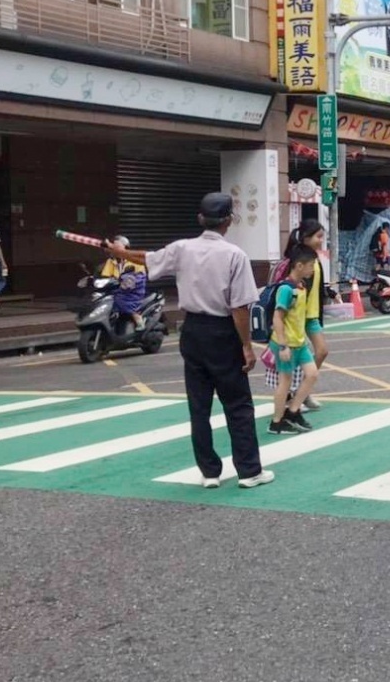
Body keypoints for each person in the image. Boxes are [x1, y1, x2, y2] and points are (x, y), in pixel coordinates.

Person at [105, 193, 273, 489]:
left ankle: (209, 472)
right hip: (222, 332)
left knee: (199, 405)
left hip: (192, 331)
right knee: (237, 404)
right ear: (229, 221)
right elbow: (240, 308)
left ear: (200, 219)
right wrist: (246, 346)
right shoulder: (235, 255)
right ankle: (249, 471)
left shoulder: (182, 248)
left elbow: (147, 258)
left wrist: (120, 253)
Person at [265, 221, 331, 412]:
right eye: (318, 236)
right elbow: (285, 292)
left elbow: (315, 288)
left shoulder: (314, 260)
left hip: (312, 316)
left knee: (322, 351)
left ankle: (303, 391)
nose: (321, 240)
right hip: (296, 318)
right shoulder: (295, 261)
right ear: (305, 238)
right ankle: (290, 397)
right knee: (292, 359)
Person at [268, 247, 320, 435]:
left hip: (299, 342)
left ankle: (293, 411)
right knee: (285, 382)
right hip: (286, 343)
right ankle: (276, 422)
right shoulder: (286, 289)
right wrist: (282, 345)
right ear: (298, 266)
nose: (312, 269)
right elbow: (277, 318)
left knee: (312, 374)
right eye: (310, 265)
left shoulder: (301, 287)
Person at [100, 236, 146, 331]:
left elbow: (140, 276)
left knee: (126, 302)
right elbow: (106, 275)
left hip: (132, 290)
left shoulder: (134, 260)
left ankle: (139, 320)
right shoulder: (111, 261)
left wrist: (129, 281)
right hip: (116, 288)